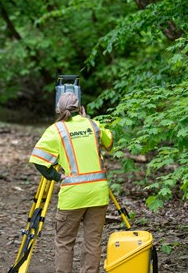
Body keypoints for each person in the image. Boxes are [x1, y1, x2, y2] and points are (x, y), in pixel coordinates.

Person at [29, 92, 114, 273]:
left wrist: (56, 176)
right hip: (98, 194)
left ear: (59, 109)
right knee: (93, 242)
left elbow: (37, 159)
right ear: (80, 107)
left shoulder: (56, 129)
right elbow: (110, 142)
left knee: (65, 242)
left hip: (73, 196)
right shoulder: (93, 125)